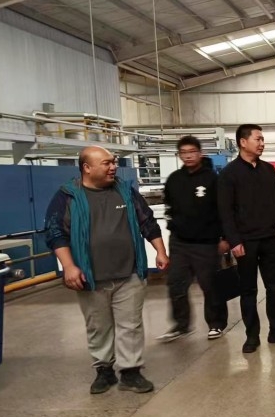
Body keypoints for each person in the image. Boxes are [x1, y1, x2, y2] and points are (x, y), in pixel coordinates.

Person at [44, 146, 169, 394]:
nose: (113, 167)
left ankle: (131, 372)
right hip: (91, 277)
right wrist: (68, 266)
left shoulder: (125, 191)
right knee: (98, 327)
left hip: (129, 272)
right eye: (107, 163)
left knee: (130, 325)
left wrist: (160, 251)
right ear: (87, 168)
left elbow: (147, 221)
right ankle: (104, 370)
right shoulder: (68, 196)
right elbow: (55, 232)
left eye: (113, 162)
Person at [218, 124, 275, 354]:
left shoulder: (268, 170)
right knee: (248, 290)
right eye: (258, 139)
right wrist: (234, 241)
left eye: (263, 139)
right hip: (246, 242)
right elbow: (225, 211)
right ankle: (252, 336)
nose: (262, 143)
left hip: (270, 238)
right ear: (243, 142)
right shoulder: (229, 174)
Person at [157, 136, 230, 343]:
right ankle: (181, 325)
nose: (188, 156)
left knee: (211, 286)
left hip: (207, 243)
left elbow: (224, 210)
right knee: (176, 284)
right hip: (180, 242)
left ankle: (216, 324)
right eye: (184, 152)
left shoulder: (213, 179)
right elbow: (169, 207)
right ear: (179, 155)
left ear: (200, 153)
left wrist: (225, 238)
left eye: (192, 152)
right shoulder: (174, 179)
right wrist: (173, 228)